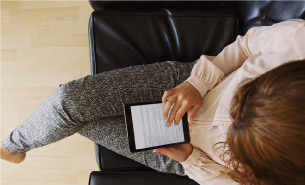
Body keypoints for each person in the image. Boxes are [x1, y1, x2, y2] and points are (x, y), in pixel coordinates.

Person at [1, 19, 304, 185]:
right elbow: (246, 45)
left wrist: (190, 160)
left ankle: (14, 148)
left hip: (187, 154)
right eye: (243, 95)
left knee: (81, 119)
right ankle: (11, 147)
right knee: (69, 101)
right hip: (185, 87)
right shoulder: (299, 44)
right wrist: (197, 83)